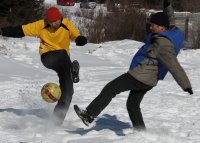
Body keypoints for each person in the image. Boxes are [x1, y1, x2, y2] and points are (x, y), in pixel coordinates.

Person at [74, 12, 193, 130]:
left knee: (111, 88)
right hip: (148, 80)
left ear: (162, 27)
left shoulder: (163, 43)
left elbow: (174, 66)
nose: (150, 27)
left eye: (153, 25)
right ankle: (141, 132)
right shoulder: (162, 36)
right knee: (132, 105)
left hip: (141, 76)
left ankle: (89, 115)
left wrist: (186, 85)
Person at [0, 7, 87, 125]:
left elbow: (75, 35)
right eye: (51, 22)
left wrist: (79, 39)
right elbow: (21, 30)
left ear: (60, 18)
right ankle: (73, 70)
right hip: (47, 57)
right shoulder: (41, 25)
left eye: (56, 21)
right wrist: (2, 31)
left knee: (68, 93)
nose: (54, 24)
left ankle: (56, 122)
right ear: (48, 21)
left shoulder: (66, 24)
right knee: (62, 53)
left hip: (63, 63)